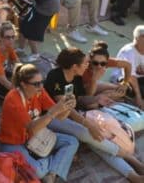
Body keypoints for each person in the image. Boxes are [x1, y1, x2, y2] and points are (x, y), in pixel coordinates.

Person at [44, 47, 144, 182]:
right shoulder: (55, 77)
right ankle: (130, 159)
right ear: (74, 66)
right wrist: (89, 124)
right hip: (51, 117)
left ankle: (134, 176)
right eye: (85, 63)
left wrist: (97, 99)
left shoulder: (76, 76)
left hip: (73, 114)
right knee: (89, 133)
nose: (88, 66)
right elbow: (66, 108)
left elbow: (80, 99)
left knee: (96, 142)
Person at [0, 63, 78, 183]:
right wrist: (52, 113)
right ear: (24, 84)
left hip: (35, 136)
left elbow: (60, 117)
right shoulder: (13, 100)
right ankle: (54, 162)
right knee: (38, 171)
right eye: (36, 84)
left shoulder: (39, 92)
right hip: (13, 142)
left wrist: (67, 108)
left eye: (42, 82)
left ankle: (52, 174)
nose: (41, 86)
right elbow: (32, 129)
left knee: (72, 142)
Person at [83, 41, 138, 107]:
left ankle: (102, 99)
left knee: (121, 91)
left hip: (93, 86)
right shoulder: (84, 67)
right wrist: (94, 79)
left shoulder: (106, 62)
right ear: (90, 60)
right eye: (95, 63)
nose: (99, 66)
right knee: (90, 105)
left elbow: (128, 65)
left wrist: (125, 83)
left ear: (106, 61)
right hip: (82, 90)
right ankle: (103, 100)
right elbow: (89, 96)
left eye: (103, 63)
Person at [116, 25, 144, 102]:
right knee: (128, 89)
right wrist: (138, 96)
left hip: (140, 79)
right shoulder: (128, 52)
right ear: (137, 37)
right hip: (125, 79)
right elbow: (130, 76)